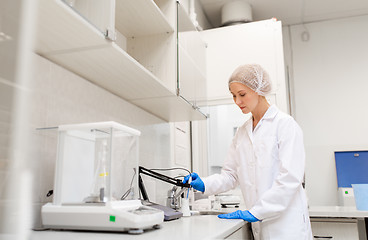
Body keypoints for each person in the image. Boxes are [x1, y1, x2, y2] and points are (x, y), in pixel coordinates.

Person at [183, 64, 313, 240]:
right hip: (260, 225)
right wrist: (204, 184)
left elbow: (290, 178)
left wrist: (257, 211)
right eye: (234, 96)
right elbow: (230, 175)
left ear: (259, 90)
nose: (237, 102)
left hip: (286, 226)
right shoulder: (242, 133)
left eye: (242, 94)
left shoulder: (285, 125)